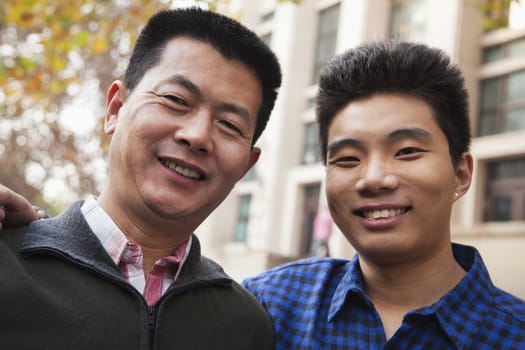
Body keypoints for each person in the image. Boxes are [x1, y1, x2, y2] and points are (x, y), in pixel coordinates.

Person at [0, 7, 281, 349]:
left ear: (246, 167)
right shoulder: (10, 265)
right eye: (176, 100)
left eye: (229, 125)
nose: (197, 135)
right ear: (115, 109)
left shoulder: (246, 325)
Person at [243, 41, 525, 349]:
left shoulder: (514, 335)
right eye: (348, 158)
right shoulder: (270, 305)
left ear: (461, 174)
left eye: (406, 151)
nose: (374, 179)